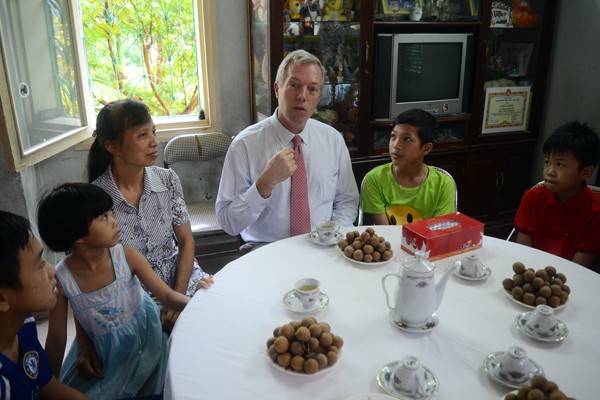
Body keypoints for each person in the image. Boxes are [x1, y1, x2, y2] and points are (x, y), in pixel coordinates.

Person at [36, 183, 191, 399]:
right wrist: (47, 387)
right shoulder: (62, 279)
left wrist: (199, 303)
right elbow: (56, 340)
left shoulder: (126, 257)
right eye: (104, 217)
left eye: (111, 213)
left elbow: (166, 296)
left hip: (145, 338)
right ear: (78, 235)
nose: (114, 221)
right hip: (104, 352)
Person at [86, 98, 212, 330]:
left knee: (213, 315)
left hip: (181, 279)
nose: (155, 142)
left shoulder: (167, 180)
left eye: (154, 132)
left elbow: (186, 241)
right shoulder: (96, 199)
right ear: (113, 146)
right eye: (142, 135)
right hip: (133, 296)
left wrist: (177, 297)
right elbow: (93, 270)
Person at [216, 49, 359, 246]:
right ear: (277, 89)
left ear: (318, 97)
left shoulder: (333, 140)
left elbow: (347, 201)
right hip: (266, 251)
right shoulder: (244, 145)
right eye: (294, 85)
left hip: (322, 247)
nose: (302, 96)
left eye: (312, 89)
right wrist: (265, 183)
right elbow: (228, 222)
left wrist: (334, 236)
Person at [0, 210, 89, 400]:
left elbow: (47, 386)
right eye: (39, 265)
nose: (51, 270)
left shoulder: (24, 323)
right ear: (2, 299)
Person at [514, 120, 600, 268]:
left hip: (569, 278)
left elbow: (578, 268)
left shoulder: (596, 213)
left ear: (586, 172)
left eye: (560, 164)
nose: (550, 172)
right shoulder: (533, 198)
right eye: (547, 162)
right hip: (529, 272)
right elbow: (522, 254)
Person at [361, 109, 457, 225]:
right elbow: (385, 232)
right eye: (393, 136)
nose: (396, 145)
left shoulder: (443, 184)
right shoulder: (375, 179)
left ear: (426, 148)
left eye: (407, 139)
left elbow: (440, 231)